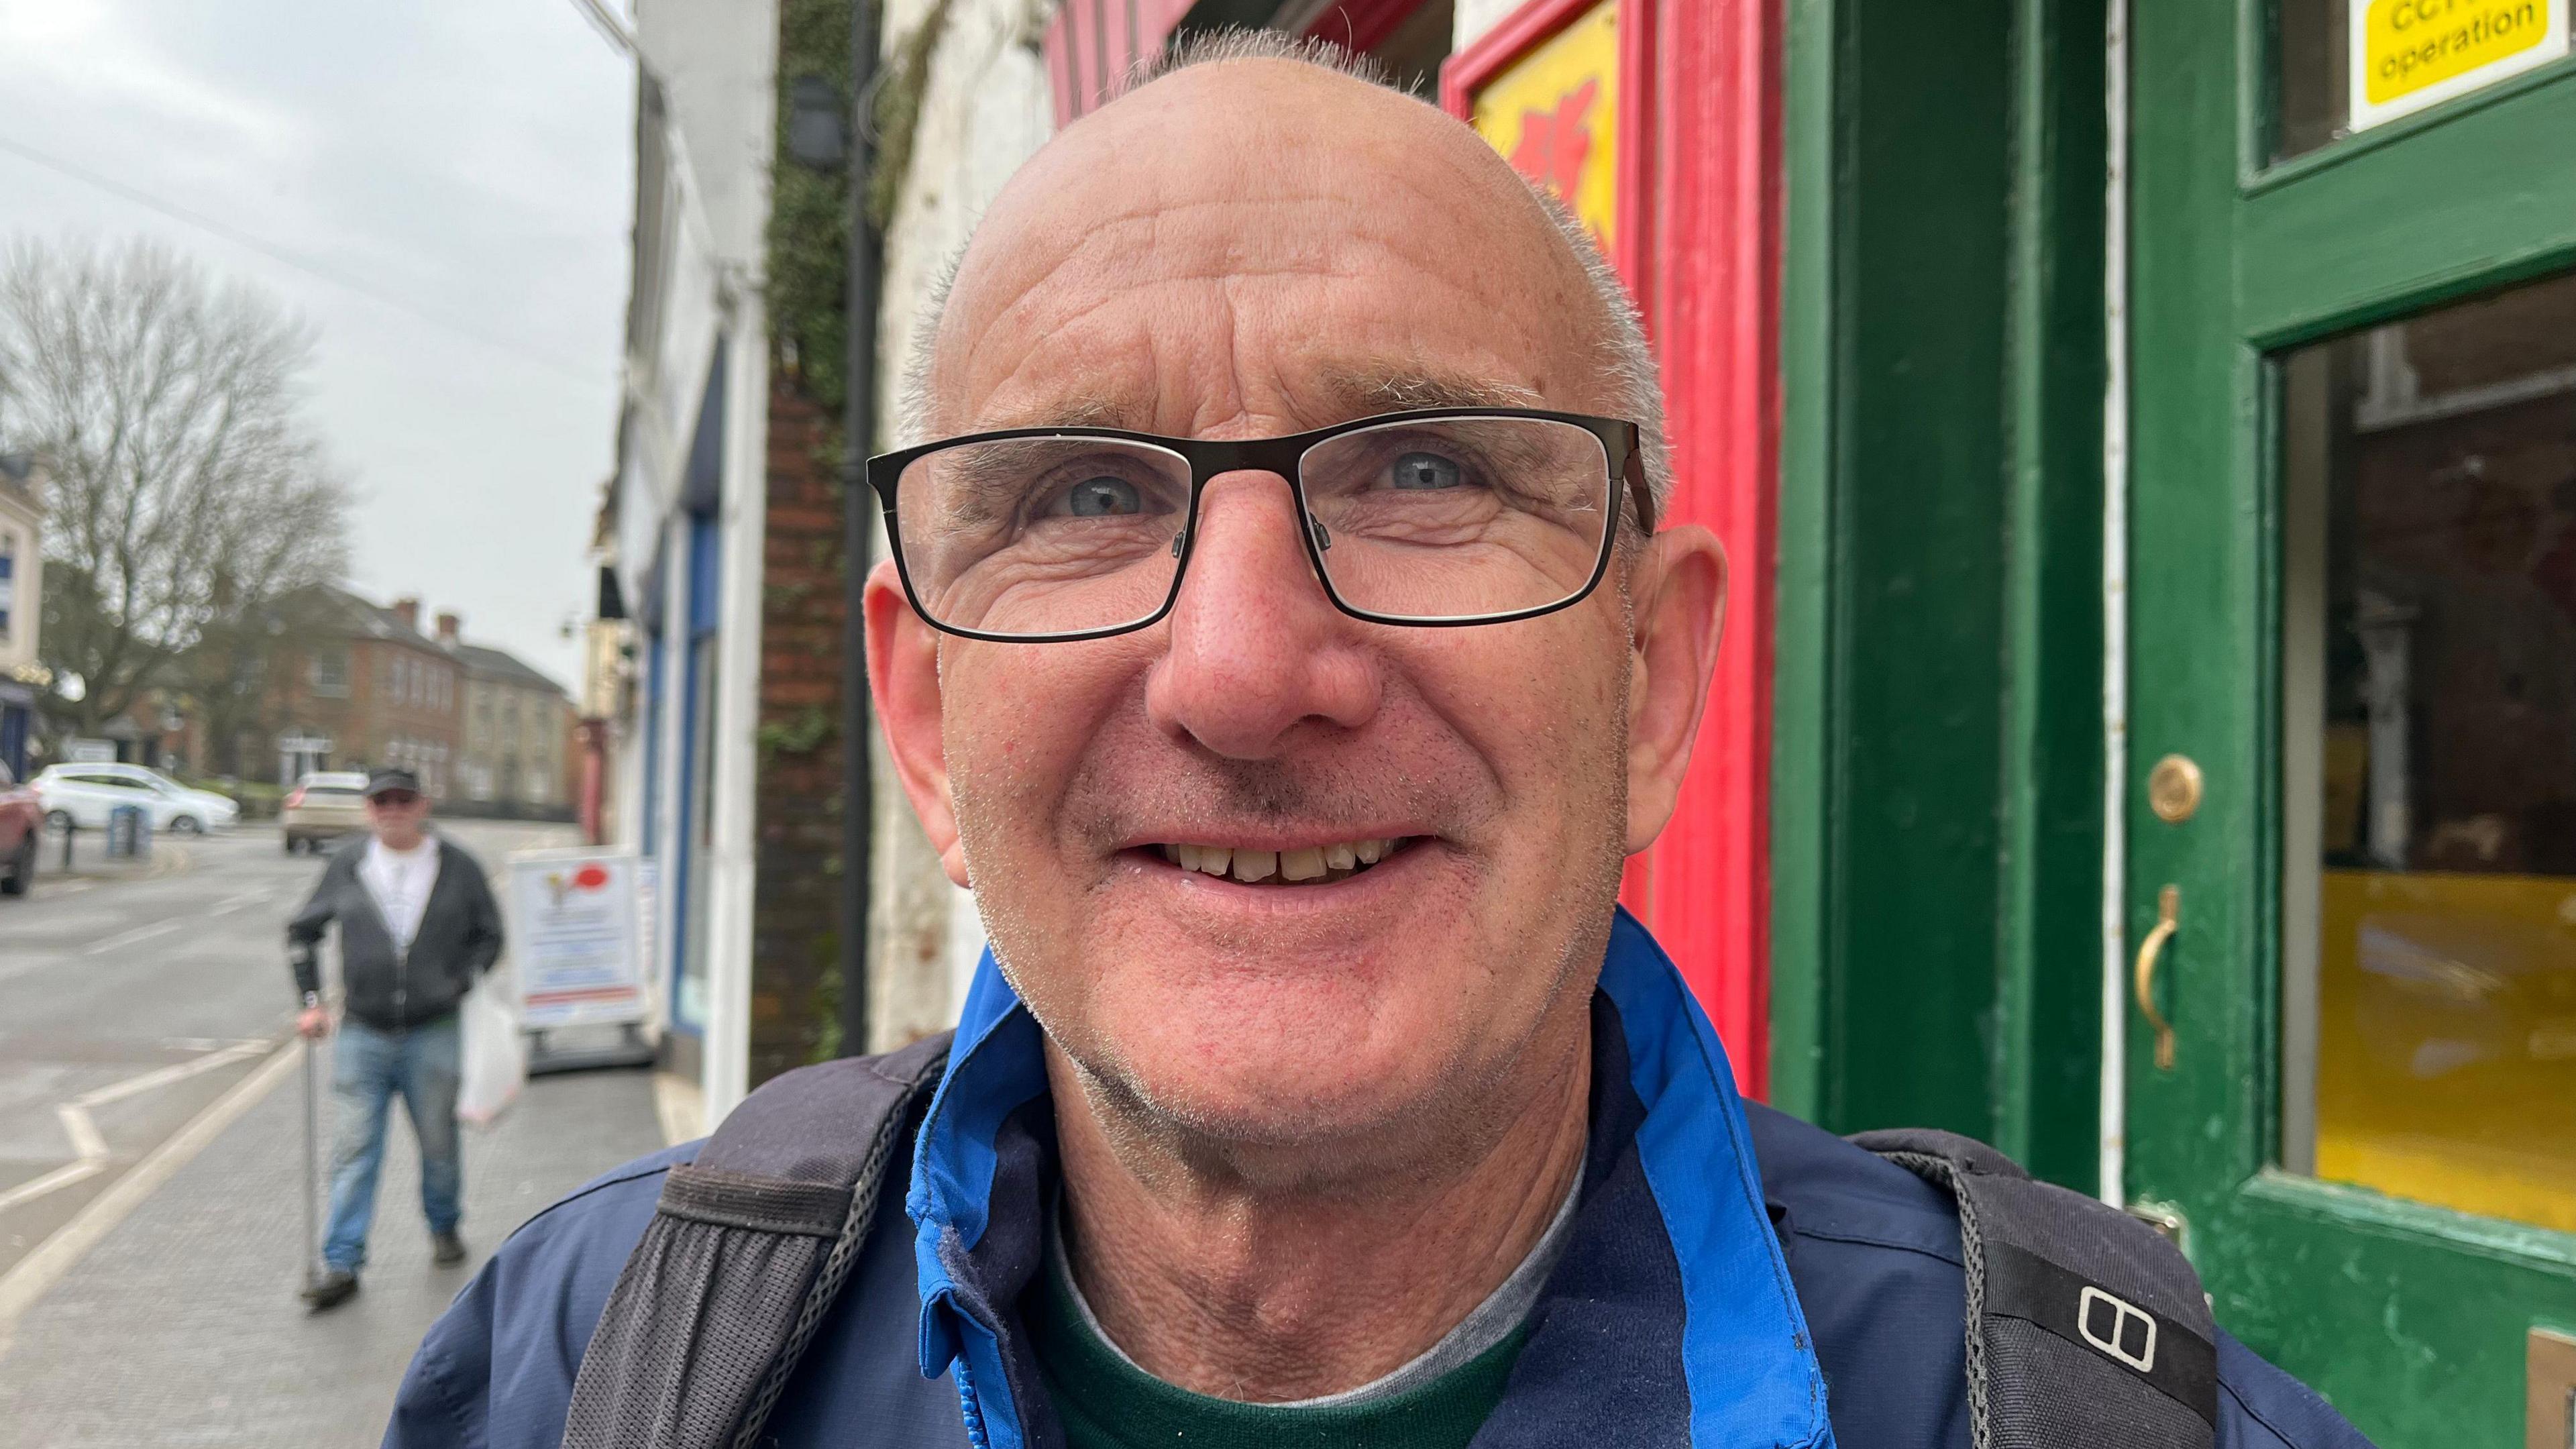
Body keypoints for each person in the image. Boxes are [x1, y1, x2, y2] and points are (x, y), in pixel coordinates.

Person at [386, 34, 2371, 1448]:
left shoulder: (2105, 1424)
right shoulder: (601, 1367)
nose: (1245, 670)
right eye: (1081, 497)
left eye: (1424, 470)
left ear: (1649, 686)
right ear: (923, 718)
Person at [286, 765, 502, 1311]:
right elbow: (302, 932)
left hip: (434, 1031)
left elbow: (490, 935)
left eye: (403, 800)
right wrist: (312, 1003)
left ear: (423, 805)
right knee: (355, 1149)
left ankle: (445, 1225)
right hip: (363, 1031)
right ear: (369, 810)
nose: (393, 810)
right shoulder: (350, 865)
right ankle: (341, 1261)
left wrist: (458, 981)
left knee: (438, 1145)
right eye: (382, 801)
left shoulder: (457, 867)